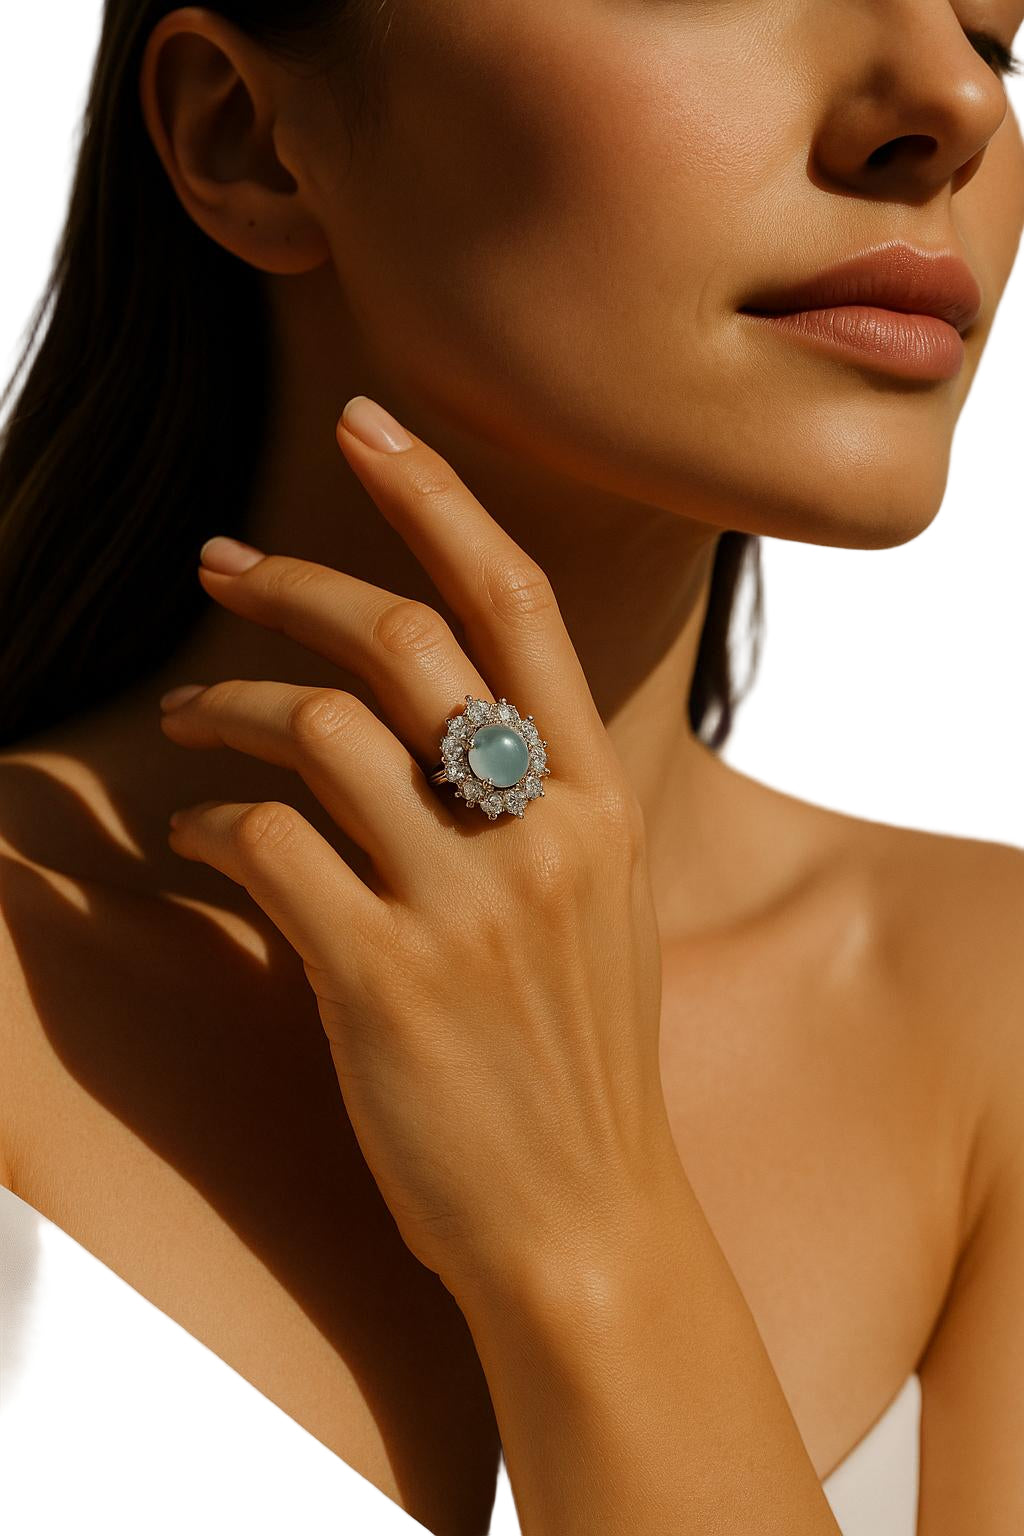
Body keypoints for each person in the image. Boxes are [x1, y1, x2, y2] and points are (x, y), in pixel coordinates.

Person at [0, 3, 1022, 1532]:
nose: (947, 99)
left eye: (992, 26)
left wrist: (592, 1229)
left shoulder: (990, 1016)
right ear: (240, 134)